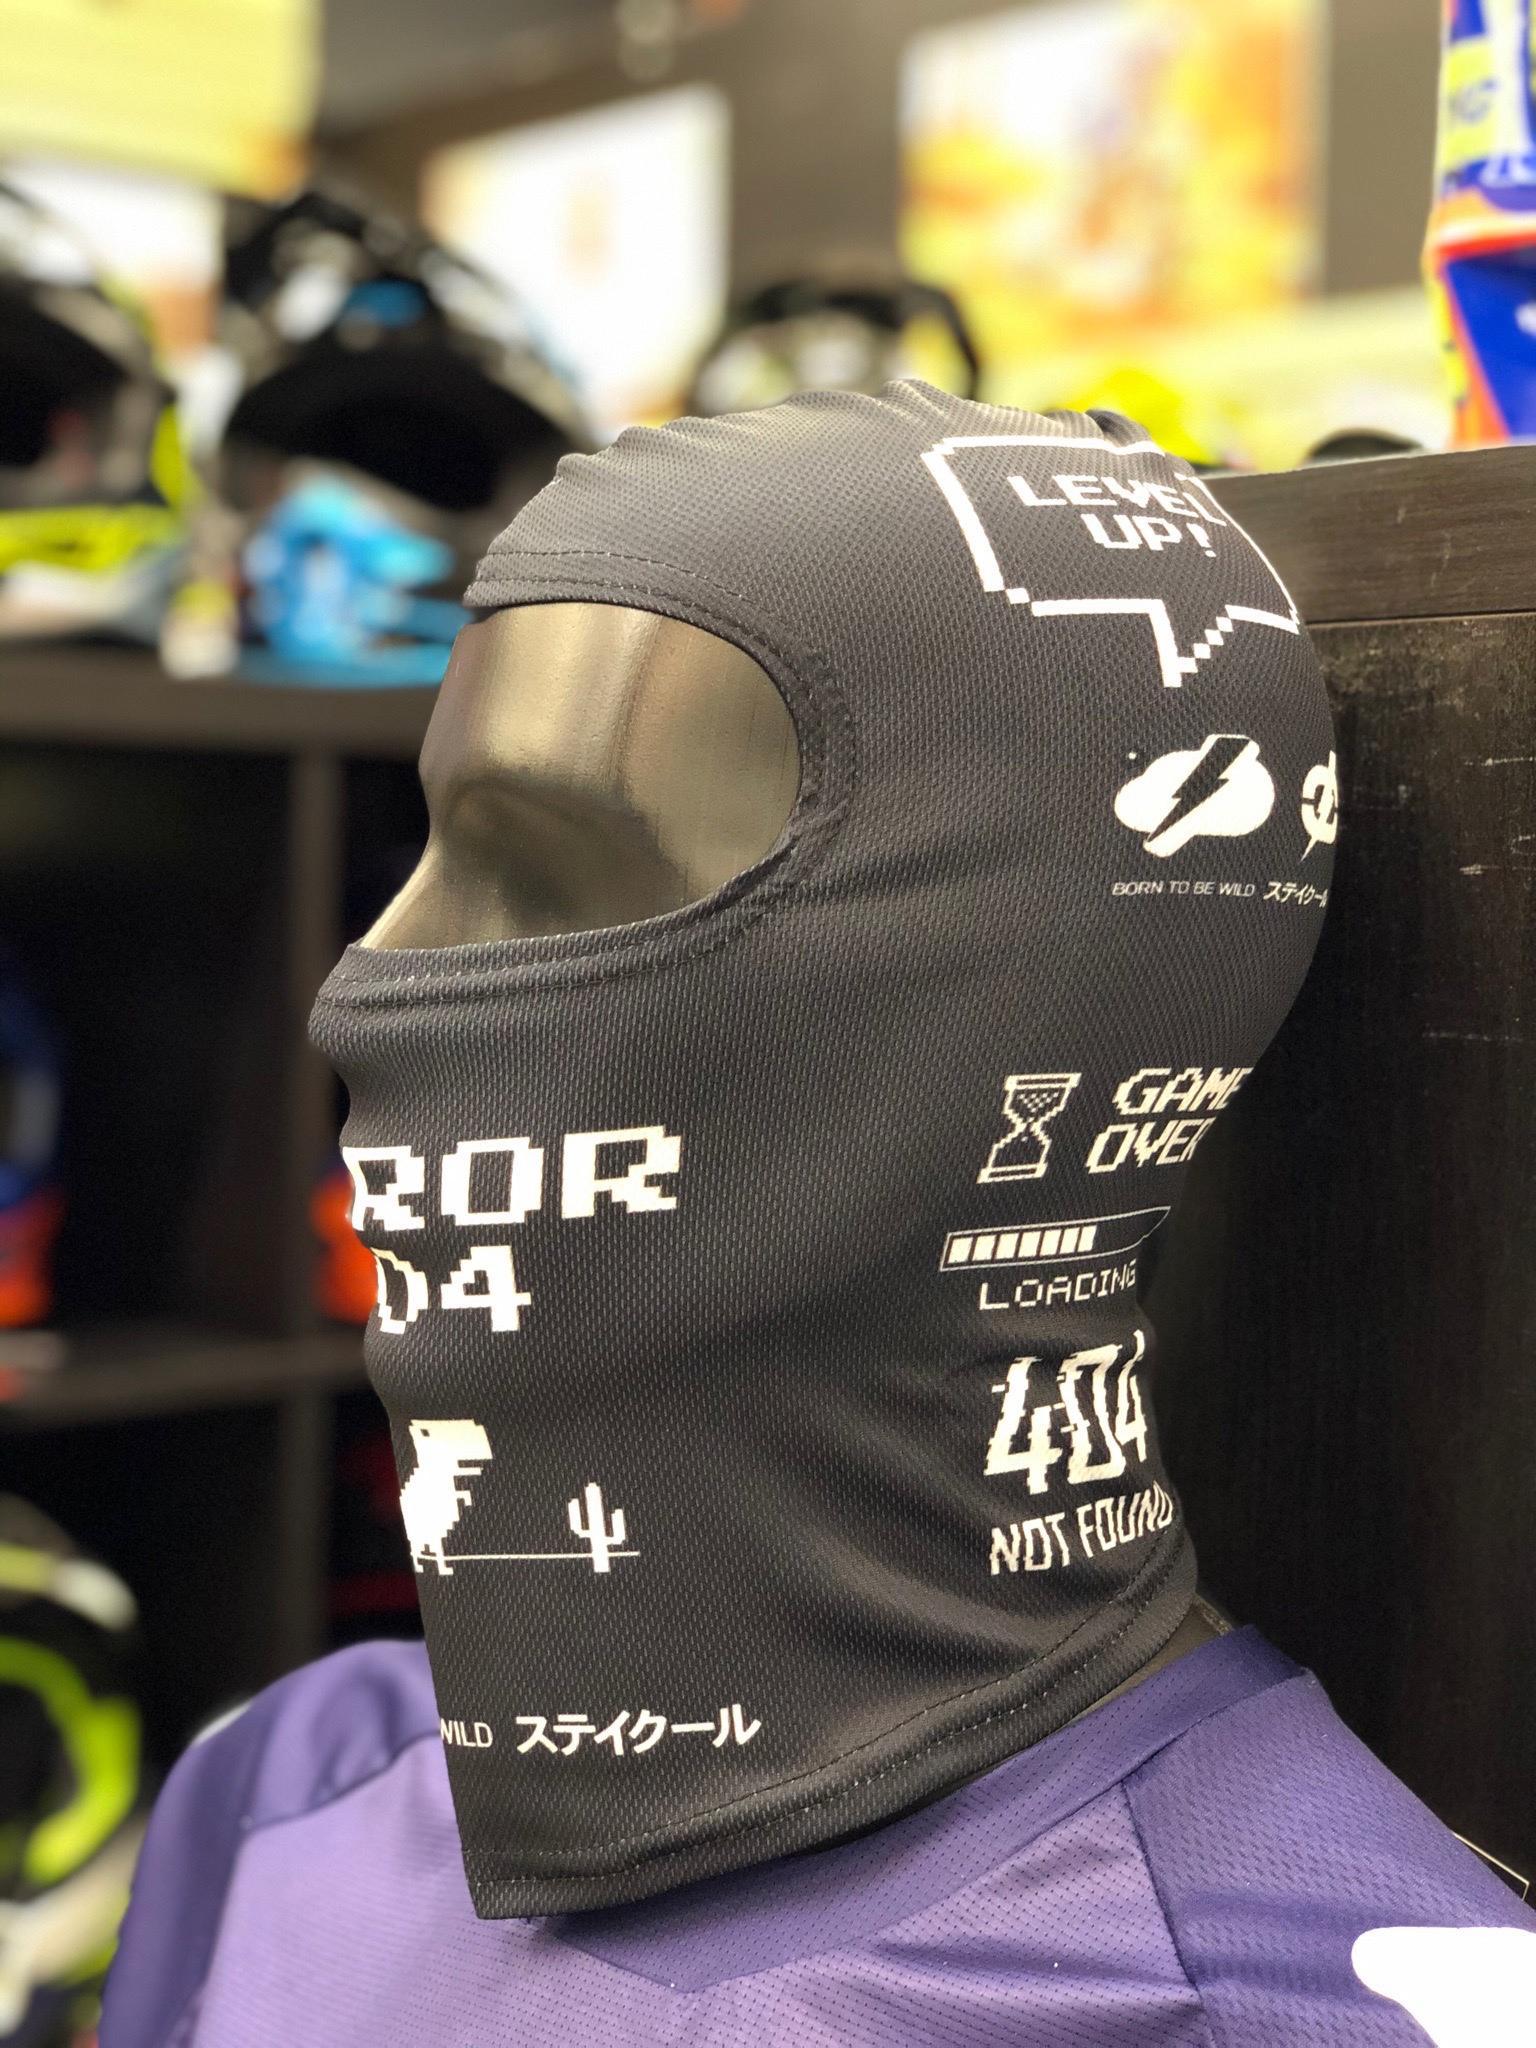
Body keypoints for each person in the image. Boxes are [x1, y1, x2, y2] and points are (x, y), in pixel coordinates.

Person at [102, 385, 1535, 2046]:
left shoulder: (1330, 1999)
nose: (367, 984)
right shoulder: (288, 1788)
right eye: (427, 851)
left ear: (1001, 995)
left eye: (548, 869)